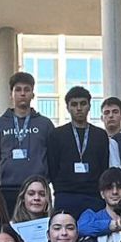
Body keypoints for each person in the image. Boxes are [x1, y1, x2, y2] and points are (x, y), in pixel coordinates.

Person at [0, 70, 51, 213]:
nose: (22, 94)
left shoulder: (45, 124)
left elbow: (51, 156)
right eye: (18, 90)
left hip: (37, 190)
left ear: (33, 94)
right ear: (11, 94)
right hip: (6, 188)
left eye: (27, 90)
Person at [44, 85, 106, 219]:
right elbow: (53, 166)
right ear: (67, 107)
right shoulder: (56, 135)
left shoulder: (100, 135)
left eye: (83, 104)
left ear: (89, 106)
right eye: (74, 104)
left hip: (94, 196)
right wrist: (60, 189)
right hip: (65, 195)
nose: (79, 108)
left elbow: (104, 166)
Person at [82, 167, 121, 242]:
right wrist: (112, 225)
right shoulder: (92, 216)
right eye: (109, 188)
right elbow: (81, 228)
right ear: (102, 194)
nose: (115, 192)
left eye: (120, 187)